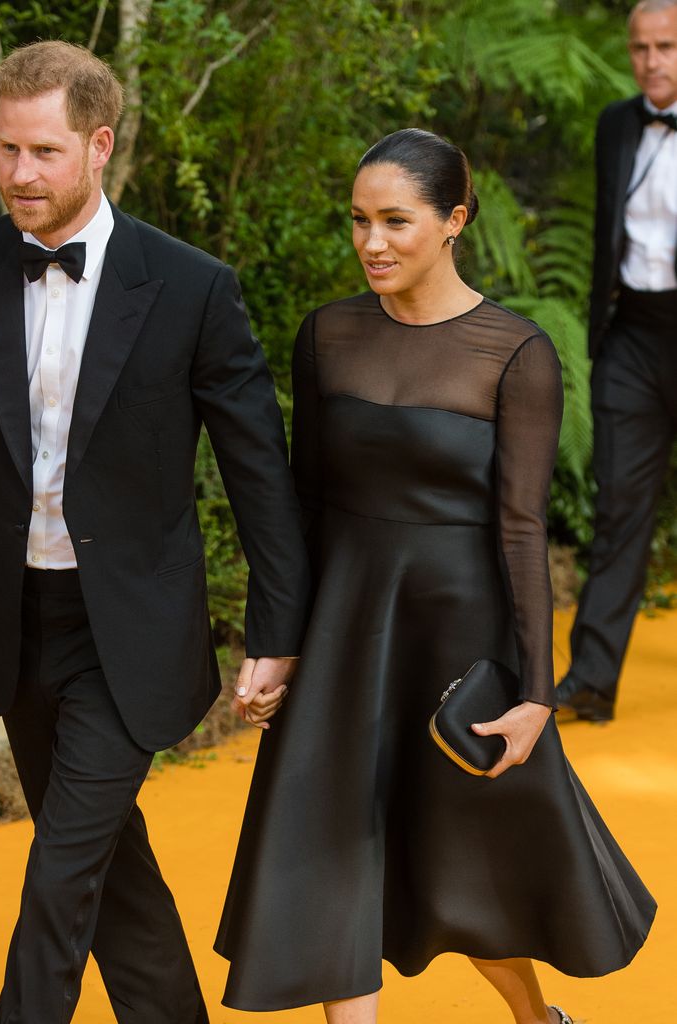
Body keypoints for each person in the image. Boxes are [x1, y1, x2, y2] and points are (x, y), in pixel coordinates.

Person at [0, 40, 310, 1024]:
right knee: (102, 858)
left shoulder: (189, 286)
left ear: (99, 146)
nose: (18, 174)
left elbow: (255, 464)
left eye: (43, 151)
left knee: (58, 873)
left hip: (127, 631)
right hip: (12, 624)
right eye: (6, 149)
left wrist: (278, 626)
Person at [215, 129, 655, 1024]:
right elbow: (301, 508)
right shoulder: (328, 334)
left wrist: (537, 690)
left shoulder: (514, 351)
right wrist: (279, 642)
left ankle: (536, 1018)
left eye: (394, 221)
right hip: (345, 627)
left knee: (461, 859)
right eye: (357, 221)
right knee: (336, 844)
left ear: (453, 220)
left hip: (455, 637)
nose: (370, 242)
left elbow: (522, 527)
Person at [556, 0, 677, 723]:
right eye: (639, 48)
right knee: (618, 507)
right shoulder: (614, 124)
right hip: (631, 334)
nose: (651, 60)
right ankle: (593, 678)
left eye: (665, 45)